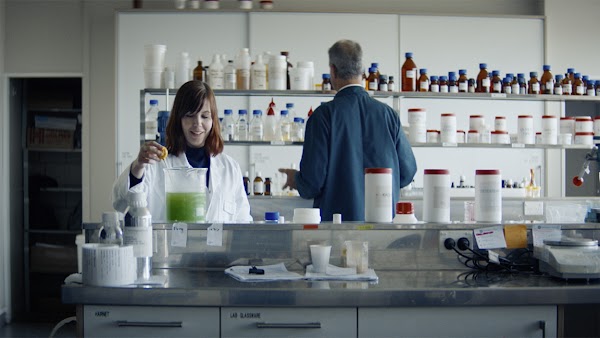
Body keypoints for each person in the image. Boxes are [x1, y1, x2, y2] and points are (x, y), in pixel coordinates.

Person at [279, 39, 417, 222]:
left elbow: (312, 183)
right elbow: (407, 172)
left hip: (337, 230)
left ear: (333, 71)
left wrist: (295, 179)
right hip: (383, 227)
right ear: (363, 71)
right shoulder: (388, 115)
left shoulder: (323, 116)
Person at [113, 80, 252, 222]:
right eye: (190, 115)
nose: (197, 123)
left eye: (204, 116)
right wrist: (138, 165)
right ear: (178, 118)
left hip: (219, 245)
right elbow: (121, 203)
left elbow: (243, 221)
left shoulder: (229, 168)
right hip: (166, 244)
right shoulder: (157, 164)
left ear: (213, 120)